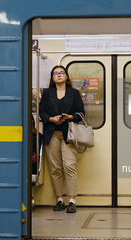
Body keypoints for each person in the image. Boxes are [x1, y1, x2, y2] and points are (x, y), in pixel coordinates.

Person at [39, 65, 85, 213]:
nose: (59, 75)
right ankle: (59, 199)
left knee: (69, 166)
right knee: (55, 168)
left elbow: (81, 113)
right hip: (51, 133)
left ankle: (72, 200)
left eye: (61, 73)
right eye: (55, 73)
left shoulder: (74, 93)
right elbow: (42, 112)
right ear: (52, 78)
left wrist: (69, 117)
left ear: (66, 76)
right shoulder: (47, 93)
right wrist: (51, 119)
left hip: (69, 134)